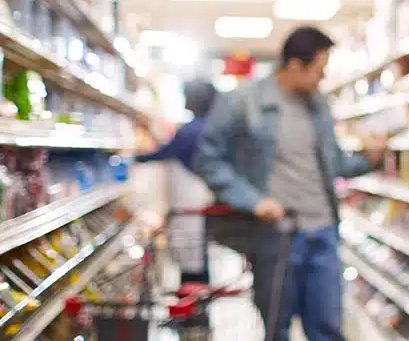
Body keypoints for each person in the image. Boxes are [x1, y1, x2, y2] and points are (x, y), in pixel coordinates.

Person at [195, 26, 387, 341]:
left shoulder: (319, 106)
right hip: (278, 235)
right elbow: (208, 160)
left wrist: (371, 159)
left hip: (323, 232)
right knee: (276, 327)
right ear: (295, 65)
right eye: (319, 71)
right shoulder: (244, 101)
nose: (321, 80)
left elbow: (333, 164)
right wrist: (253, 201)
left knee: (327, 328)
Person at [136, 79, 218, 285]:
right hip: (198, 197)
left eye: (187, 96)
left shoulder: (192, 130)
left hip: (189, 199)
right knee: (197, 253)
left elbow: (165, 152)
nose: (185, 101)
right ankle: (197, 300)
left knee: (190, 253)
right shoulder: (206, 127)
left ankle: (191, 302)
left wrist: (132, 158)